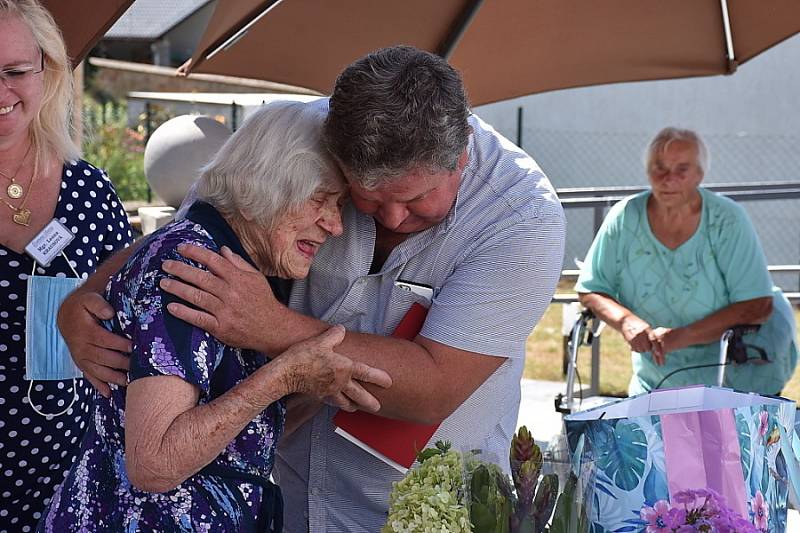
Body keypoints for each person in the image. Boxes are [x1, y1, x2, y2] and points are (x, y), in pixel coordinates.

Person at [59, 46, 566, 531]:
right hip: (289, 488)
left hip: (429, 505)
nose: (390, 217)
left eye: (415, 198)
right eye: (360, 196)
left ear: (461, 158)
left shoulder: (521, 217)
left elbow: (434, 386)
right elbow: (205, 224)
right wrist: (84, 299)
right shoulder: (300, 133)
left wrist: (270, 327)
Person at [38, 101, 392, 531]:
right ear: (269, 185)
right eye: (321, 200)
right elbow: (154, 463)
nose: (335, 225)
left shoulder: (236, 266)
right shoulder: (190, 266)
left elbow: (246, 434)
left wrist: (314, 383)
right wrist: (283, 376)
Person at [0, 1, 134, 530]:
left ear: (47, 71)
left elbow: (133, 321)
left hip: (64, 486)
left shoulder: (89, 192)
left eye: (14, 72)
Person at [576, 127, 798, 395]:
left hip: (736, 377)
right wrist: (625, 321)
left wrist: (684, 336)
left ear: (699, 175)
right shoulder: (625, 218)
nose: (668, 179)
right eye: (659, 167)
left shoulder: (726, 220)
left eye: (682, 169)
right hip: (657, 378)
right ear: (647, 171)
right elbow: (591, 289)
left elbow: (758, 305)